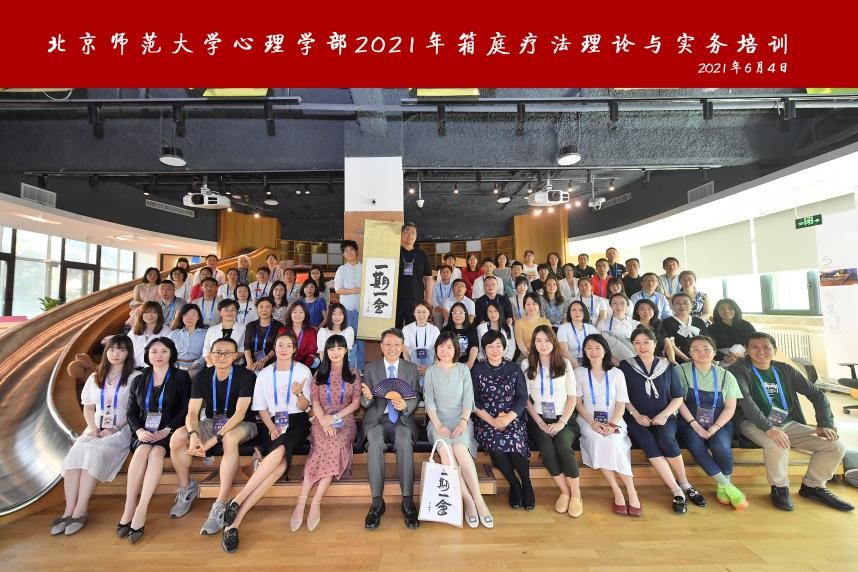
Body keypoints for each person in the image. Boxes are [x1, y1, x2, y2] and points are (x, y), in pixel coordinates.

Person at [729, 333, 853, 512]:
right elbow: (746, 402)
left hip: (787, 423)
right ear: (747, 350)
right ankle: (780, 487)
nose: (761, 351)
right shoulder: (739, 369)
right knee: (776, 443)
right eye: (754, 347)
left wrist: (825, 423)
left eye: (766, 347)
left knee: (834, 445)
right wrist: (769, 428)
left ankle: (813, 486)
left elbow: (817, 394)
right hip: (752, 423)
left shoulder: (785, 370)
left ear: (774, 350)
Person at [220, 332, 314, 551]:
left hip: (297, 421)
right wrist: (271, 427)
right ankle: (233, 524)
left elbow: (305, 407)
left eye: (288, 345)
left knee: (280, 450)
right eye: (280, 345)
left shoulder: (303, 371)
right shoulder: (263, 374)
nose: (284, 349)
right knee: (279, 466)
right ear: (275, 348)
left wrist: (299, 394)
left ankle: (237, 501)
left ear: (294, 349)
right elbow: (261, 407)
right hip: (270, 422)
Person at [168, 338, 258, 534]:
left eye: (227, 353)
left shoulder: (246, 376)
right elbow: (192, 413)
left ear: (235, 356)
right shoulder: (202, 377)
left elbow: (240, 413)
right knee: (178, 437)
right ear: (210, 354)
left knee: (229, 439)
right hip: (211, 421)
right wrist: (193, 435)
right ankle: (187, 487)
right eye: (218, 352)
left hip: (242, 423)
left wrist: (212, 440)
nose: (222, 356)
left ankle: (221, 502)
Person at [52, 335, 140, 536]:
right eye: (112, 349)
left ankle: (81, 509)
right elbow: (89, 407)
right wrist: (92, 428)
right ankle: (69, 509)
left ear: (128, 353)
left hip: (120, 429)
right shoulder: (95, 377)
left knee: (94, 452)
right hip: (95, 427)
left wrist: (114, 428)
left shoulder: (134, 377)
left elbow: (134, 410)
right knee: (76, 451)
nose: (116, 354)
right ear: (106, 352)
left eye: (121, 350)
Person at [620, 328, 705, 514]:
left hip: (664, 415)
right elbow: (621, 396)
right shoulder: (625, 366)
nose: (642, 346)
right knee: (648, 442)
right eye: (637, 343)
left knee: (667, 439)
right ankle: (676, 490)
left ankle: (685, 483)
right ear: (632, 345)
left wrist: (664, 415)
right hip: (636, 417)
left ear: (655, 344)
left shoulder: (667, 366)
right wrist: (636, 414)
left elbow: (677, 397)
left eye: (646, 342)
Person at [119, 337, 192, 543]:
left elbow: (185, 408)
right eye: (154, 352)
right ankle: (129, 507)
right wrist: (140, 430)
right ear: (147, 355)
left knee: (157, 451)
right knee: (143, 450)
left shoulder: (181, 377)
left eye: (163, 351)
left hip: (169, 432)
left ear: (171, 354)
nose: (158, 355)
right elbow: (131, 412)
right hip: (144, 433)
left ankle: (141, 509)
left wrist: (167, 430)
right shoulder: (139, 379)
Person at [424, 331, 493, 528]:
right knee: (447, 454)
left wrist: (463, 422)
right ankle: (468, 501)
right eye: (441, 346)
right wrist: (439, 425)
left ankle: (479, 499)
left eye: (449, 347)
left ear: (456, 349)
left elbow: (468, 398)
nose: (445, 351)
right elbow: (429, 402)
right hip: (438, 422)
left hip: (462, 420)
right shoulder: (430, 372)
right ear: (436, 349)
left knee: (460, 450)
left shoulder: (463, 369)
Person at [675, 335, 748, 510]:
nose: (701, 352)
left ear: (714, 352)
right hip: (689, 421)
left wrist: (715, 427)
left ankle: (724, 484)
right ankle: (727, 485)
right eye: (696, 349)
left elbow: (730, 407)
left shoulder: (726, 375)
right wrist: (695, 425)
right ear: (689, 352)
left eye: (706, 349)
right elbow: (679, 401)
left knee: (720, 445)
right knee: (695, 444)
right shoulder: (681, 371)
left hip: (719, 421)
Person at [360, 328, 421, 530]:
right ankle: (377, 502)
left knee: (404, 440)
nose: (392, 348)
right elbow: (365, 401)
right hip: (377, 420)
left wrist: (406, 405)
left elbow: (416, 395)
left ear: (402, 347)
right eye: (388, 344)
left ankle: (408, 502)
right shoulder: (370, 368)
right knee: (375, 441)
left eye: (396, 344)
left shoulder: (410, 368)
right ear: (381, 346)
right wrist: (367, 397)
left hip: (402, 420)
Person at [574, 334, 640, 517]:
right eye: (589, 348)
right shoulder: (579, 372)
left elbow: (621, 404)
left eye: (598, 348)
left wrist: (611, 424)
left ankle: (632, 491)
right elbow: (578, 403)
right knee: (597, 441)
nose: (593, 352)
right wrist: (592, 423)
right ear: (584, 351)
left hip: (614, 420)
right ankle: (617, 490)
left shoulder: (617, 373)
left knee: (615, 443)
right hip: (588, 421)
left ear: (605, 350)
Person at [522, 326, 583, 517]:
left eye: (547, 340)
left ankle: (576, 495)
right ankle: (565, 491)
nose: (543, 345)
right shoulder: (526, 364)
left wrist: (562, 422)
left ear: (553, 342)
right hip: (538, 419)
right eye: (538, 341)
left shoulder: (564, 363)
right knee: (547, 450)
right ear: (534, 343)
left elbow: (572, 397)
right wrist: (540, 423)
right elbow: (525, 399)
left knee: (563, 446)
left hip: (564, 418)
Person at [472, 331, 533, 509]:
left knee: (515, 441)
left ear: (504, 347)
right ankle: (514, 482)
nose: (495, 349)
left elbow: (522, 398)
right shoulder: (476, 370)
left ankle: (526, 483)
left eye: (498, 345)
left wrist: (507, 419)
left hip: (512, 417)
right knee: (496, 446)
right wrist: (493, 421)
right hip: (486, 420)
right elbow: (474, 401)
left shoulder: (514, 368)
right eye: (490, 346)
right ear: (484, 349)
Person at [334, 239, 365, 371]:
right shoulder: (341, 270)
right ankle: (348, 367)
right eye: (346, 251)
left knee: (361, 339)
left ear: (356, 251)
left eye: (351, 250)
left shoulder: (364, 267)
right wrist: (354, 290)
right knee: (347, 338)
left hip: (363, 310)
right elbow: (338, 289)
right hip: (347, 310)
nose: (349, 253)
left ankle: (361, 368)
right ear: (343, 254)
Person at [397, 222, 433, 328]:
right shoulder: (394, 252)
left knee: (414, 329)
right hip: (395, 300)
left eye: (413, 233)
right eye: (407, 232)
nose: (410, 235)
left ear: (416, 237)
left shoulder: (422, 255)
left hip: (416, 299)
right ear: (401, 234)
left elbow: (428, 278)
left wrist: (428, 299)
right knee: (395, 329)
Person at [660, 293, 709, 364]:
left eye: (685, 303)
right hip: (679, 360)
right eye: (677, 303)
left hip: (701, 357)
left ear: (692, 305)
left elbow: (707, 341)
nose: (682, 306)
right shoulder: (666, 322)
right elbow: (671, 345)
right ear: (672, 306)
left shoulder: (699, 321)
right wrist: (687, 359)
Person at [402, 301, 441, 390]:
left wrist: (431, 368)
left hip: (430, 366)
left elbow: (437, 351)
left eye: (424, 312)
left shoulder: (434, 330)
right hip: (412, 365)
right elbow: (405, 350)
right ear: (414, 313)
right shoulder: (407, 329)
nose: (421, 315)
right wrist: (412, 367)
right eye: (418, 312)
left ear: (429, 313)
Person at [243, 296, 284, 373]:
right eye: (261, 307)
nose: (264, 310)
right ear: (257, 309)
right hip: (251, 363)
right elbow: (247, 345)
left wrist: (264, 360)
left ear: (273, 308)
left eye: (267, 307)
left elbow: (277, 346)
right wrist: (249, 361)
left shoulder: (279, 326)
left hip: (271, 363)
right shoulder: (250, 325)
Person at [709, 299, 756, 363]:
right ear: (717, 311)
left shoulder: (746, 325)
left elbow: (755, 343)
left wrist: (745, 354)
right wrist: (723, 357)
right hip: (722, 361)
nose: (726, 311)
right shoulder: (711, 328)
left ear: (736, 310)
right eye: (722, 309)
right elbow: (708, 348)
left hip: (746, 359)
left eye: (730, 308)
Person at [202, 299, 247, 366]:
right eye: (226, 310)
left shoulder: (243, 328)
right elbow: (206, 351)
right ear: (220, 312)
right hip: (213, 365)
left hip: (235, 365)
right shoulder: (211, 329)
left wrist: (225, 363)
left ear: (237, 312)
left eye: (233, 310)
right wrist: (213, 366)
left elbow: (242, 349)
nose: (230, 312)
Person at [598, 293, 639, 364]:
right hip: (610, 361)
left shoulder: (636, 324)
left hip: (633, 361)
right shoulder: (603, 323)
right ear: (610, 306)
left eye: (622, 303)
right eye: (615, 303)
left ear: (627, 305)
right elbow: (599, 343)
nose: (619, 306)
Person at [169, 303, 207, 379]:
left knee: (189, 376)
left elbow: (205, 353)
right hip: (176, 367)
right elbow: (169, 352)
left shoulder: (205, 334)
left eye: (193, 315)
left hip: (196, 368)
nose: (190, 318)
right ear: (182, 317)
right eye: (186, 315)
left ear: (198, 317)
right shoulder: (174, 334)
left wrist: (193, 366)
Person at [129, 301, 171, 368]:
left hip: (156, 368)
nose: (149, 315)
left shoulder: (166, 331)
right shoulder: (134, 330)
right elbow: (127, 347)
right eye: (146, 312)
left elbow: (169, 352)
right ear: (141, 314)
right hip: (133, 367)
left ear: (159, 314)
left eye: (154, 312)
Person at [557, 300, 598, 367]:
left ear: (584, 312)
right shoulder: (563, 328)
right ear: (569, 313)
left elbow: (598, 348)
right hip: (570, 364)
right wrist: (577, 368)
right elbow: (564, 351)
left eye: (580, 310)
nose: (577, 312)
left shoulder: (591, 328)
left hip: (590, 362)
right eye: (574, 310)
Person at [442, 301, 479, 368]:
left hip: (468, 364)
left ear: (465, 314)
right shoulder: (445, 330)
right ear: (451, 315)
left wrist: (469, 364)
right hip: (450, 364)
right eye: (455, 313)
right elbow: (442, 348)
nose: (458, 315)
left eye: (461, 313)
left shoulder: (472, 329)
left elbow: (474, 347)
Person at [514, 292, 552, 356]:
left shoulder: (546, 322)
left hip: (545, 355)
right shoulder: (519, 323)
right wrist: (531, 357)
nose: (531, 307)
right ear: (524, 306)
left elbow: (550, 341)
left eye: (534, 304)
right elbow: (520, 344)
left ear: (539, 305)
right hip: (527, 356)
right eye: (528, 304)